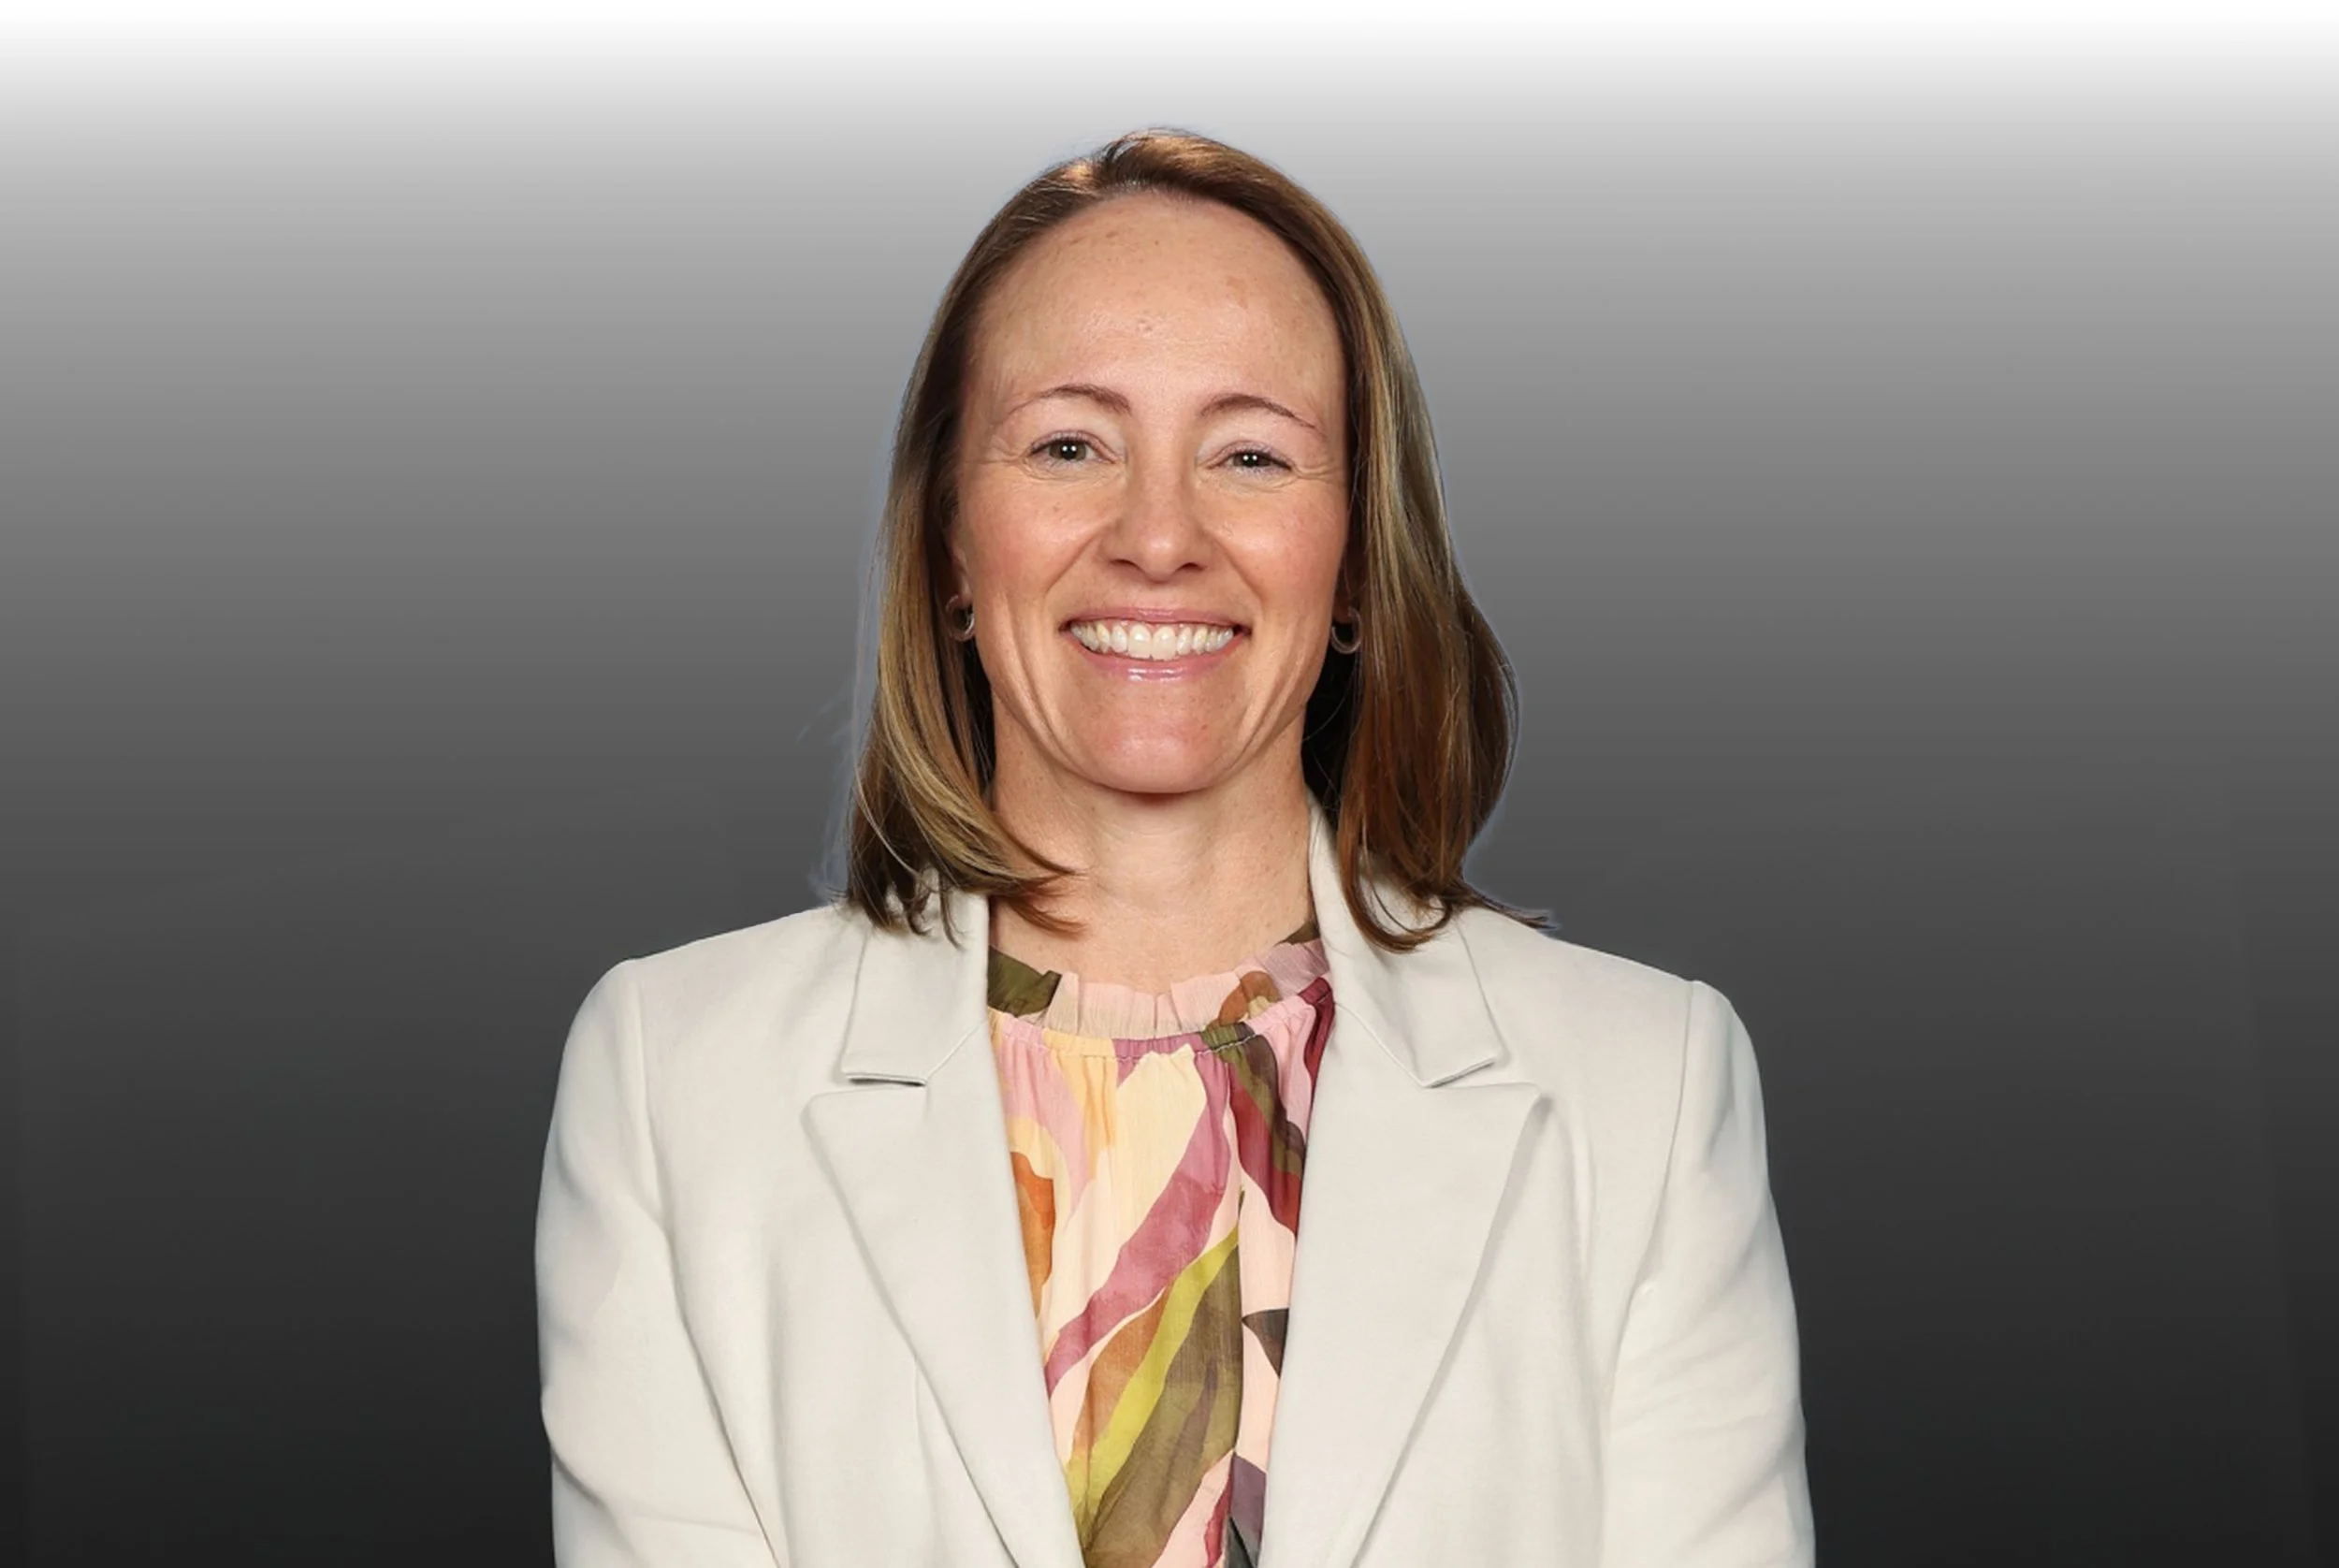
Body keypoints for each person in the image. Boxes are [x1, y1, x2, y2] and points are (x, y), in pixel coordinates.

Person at [535, 127, 1813, 1568]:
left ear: (1351, 563)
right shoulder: (675, 1086)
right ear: (953, 544)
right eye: (1073, 444)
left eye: (1251, 455)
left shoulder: (1642, 1092)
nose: (1159, 537)